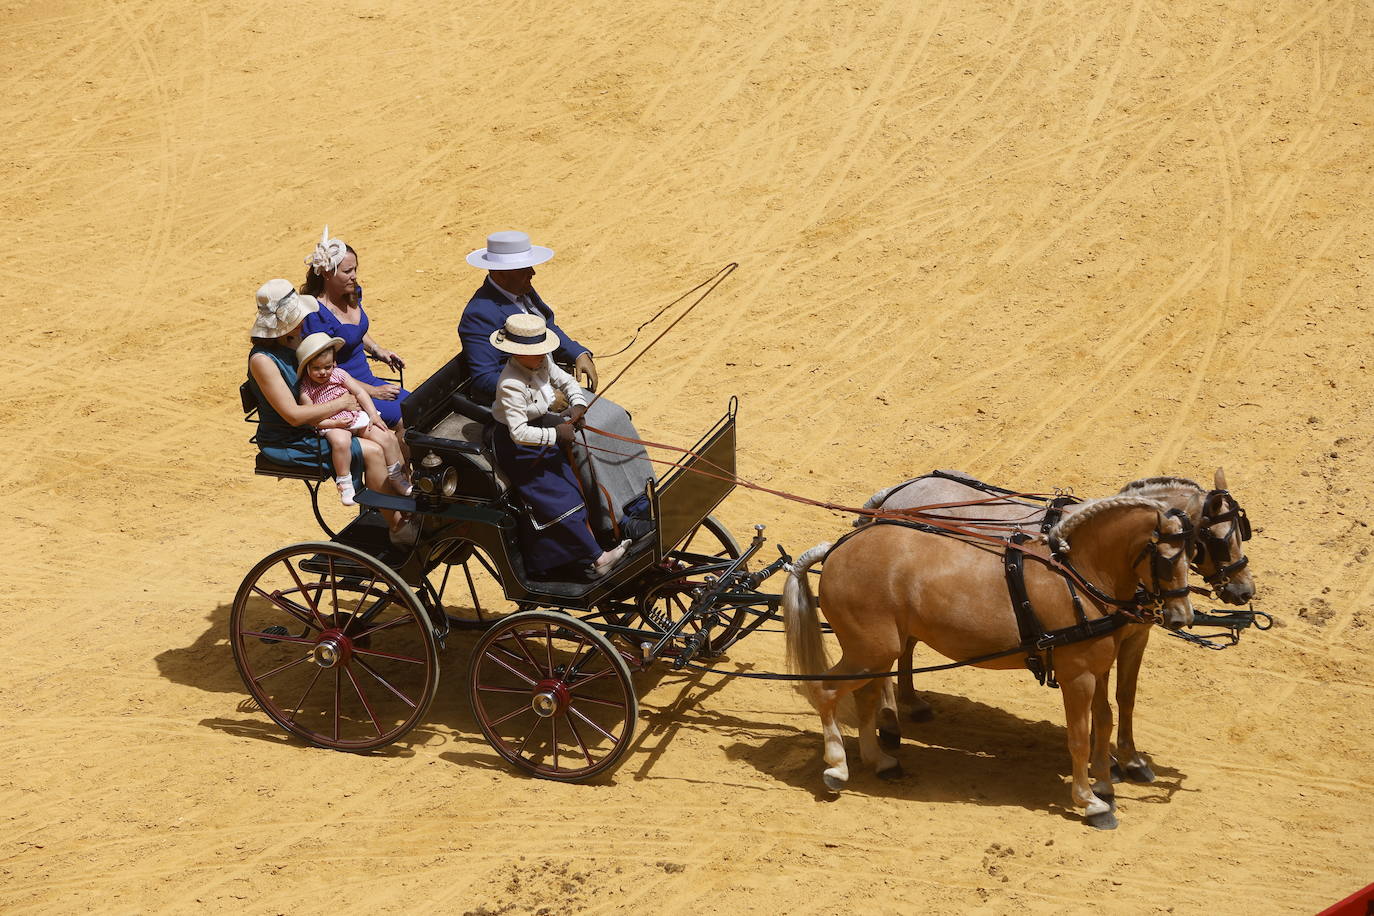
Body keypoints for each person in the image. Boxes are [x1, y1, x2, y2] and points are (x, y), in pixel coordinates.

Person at [246, 278, 416, 544]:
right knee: (373, 451)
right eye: (298, 317)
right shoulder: (263, 361)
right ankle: (398, 528)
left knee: (385, 435)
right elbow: (292, 415)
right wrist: (342, 403)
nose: (305, 322)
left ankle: (402, 505)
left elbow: (333, 372)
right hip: (293, 439)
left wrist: (357, 396)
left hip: (325, 420)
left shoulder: (294, 340)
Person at [490, 313, 628, 579]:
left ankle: (589, 547)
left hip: (543, 432)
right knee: (559, 501)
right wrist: (556, 433)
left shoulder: (542, 361)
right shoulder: (510, 384)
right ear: (517, 354)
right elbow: (518, 432)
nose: (542, 355)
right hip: (519, 450)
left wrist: (578, 403)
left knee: (573, 489)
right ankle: (596, 558)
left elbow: (566, 382)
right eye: (535, 351)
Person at [457, 230, 598, 404]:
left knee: (616, 416)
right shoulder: (479, 315)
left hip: (549, 378)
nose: (532, 272)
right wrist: (540, 397)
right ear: (501, 273)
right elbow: (485, 379)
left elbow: (546, 327)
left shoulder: (521, 289)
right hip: (518, 404)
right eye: (523, 269)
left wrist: (578, 353)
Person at [300, 226, 410, 428]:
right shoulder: (316, 317)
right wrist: (373, 391)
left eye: (355, 269)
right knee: (407, 420)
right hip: (343, 392)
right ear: (326, 273)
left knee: (418, 406)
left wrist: (378, 350)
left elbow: (355, 330)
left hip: (369, 381)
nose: (354, 276)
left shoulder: (352, 293)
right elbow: (325, 372)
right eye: (347, 271)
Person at [296, 332, 413, 507]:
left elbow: (359, 392)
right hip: (331, 422)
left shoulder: (339, 374)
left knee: (386, 437)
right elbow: (312, 418)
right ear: (306, 367)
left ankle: (397, 476)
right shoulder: (306, 388)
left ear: (334, 363)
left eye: (327, 367)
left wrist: (373, 415)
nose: (323, 372)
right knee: (341, 442)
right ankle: (345, 482)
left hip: (354, 416)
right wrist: (335, 424)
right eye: (316, 368)